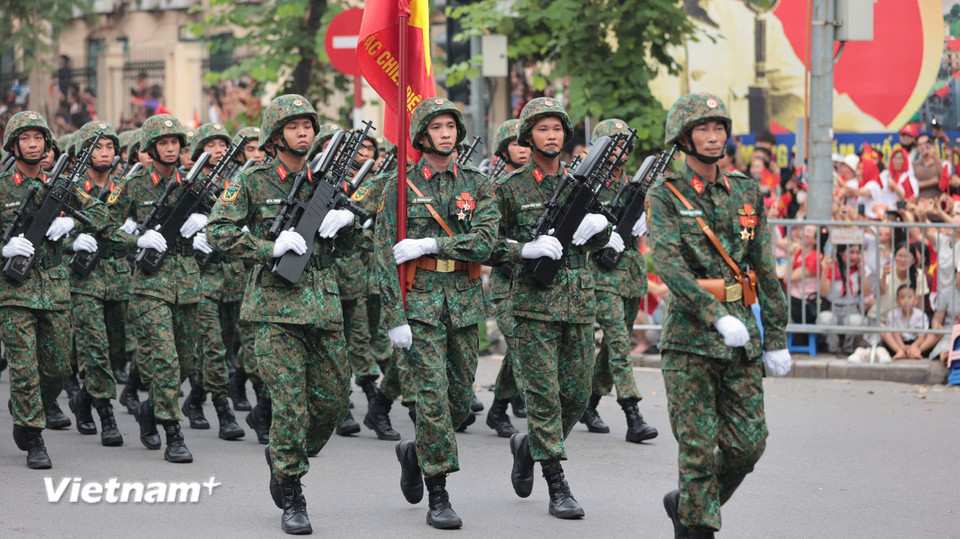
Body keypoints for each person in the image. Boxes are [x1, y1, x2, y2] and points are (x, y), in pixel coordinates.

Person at [208, 94, 357, 534]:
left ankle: (284, 454)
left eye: (308, 125)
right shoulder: (252, 181)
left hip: (323, 307)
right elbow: (218, 231)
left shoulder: (325, 181)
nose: (304, 132)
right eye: (293, 126)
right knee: (291, 404)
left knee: (332, 400)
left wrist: (347, 222)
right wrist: (266, 246)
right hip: (274, 309)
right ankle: (292, 492)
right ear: (275, 136)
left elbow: (351, 246)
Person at [646, 92, 791, 538]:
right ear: (684, 138)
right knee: (698, 451)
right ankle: (697, 524)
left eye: (719, 129)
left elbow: (765, 268)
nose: (713, 138)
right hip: (691, 339)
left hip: (742, 336)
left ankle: (689, 506)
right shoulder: (666, 195)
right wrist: (714, 315)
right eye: (703, 130)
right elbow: (669, 265)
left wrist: (777, 335)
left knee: (749, 444)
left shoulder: (746, 191)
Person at [374, 97, 499, 529]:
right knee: (431, 401)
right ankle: (439, 492)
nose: (446, 133)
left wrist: (433, 244)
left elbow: (485, 242)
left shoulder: (477, 184)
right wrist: (394, 317)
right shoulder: (399, 187)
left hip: (463, 304)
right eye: (437, 127)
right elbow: (382, 256)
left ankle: (414, 453)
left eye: (451, 126)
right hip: (421, 303)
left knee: (460, 403)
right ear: (422, 136)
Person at [488, 97, 612, 520]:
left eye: (557, 128)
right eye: (542, 129)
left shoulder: (582, 186)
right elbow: (484, 244)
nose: (552, 135)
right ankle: (557, 485)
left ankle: (530, 446)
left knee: (576, 396)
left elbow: (594, 239)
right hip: (533, 307)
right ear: (527, 136)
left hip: (578, 304)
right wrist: (524, 248)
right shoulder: (508, 188)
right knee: (543, 399)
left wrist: (603, 228)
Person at [1, 111, 108, 468]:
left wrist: (72, 228)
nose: (33, 145)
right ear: (14, 144)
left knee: (58, 367)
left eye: (38, 138)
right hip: (14, 290)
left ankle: (27, 406)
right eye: (25, 138)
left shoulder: (61, 185)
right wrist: (4, 248)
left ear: (48, 144)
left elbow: (103, 215)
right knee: (24, 366)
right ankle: (33, 434)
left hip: (55, 286)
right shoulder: (2, 186)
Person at [105, 114, 200, 464]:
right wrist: (135, 237)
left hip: (188, 283)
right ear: (151, 147)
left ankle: (149, 409)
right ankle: (172, 431)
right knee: (165, 361)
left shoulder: (194, 181)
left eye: (175, 142)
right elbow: (105, 225)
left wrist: (205, 222)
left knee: (185, 363)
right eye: (164, 143)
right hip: (149, 286)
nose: (171, 148)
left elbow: (225, 223)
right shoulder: (133, 185)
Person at [578, 119, 659, 444]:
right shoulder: (589, 185)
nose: (619, 150)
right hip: (602, 274)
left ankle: (590, 403)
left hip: (631, 274)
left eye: (624, 143)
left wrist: (643, 217)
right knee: (620, 344)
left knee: (614, 345)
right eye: (612, 143)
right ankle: (632, 413)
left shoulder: (636, 185)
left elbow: (648, 221)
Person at [180, 122, 246, 442]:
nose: (219, 150)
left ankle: (194, 400)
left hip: (232, 277)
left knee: (227, 345)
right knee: (212, 348)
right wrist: (190, 232)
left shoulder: (238, 183)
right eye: (211, 145)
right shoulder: (188, 185)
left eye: (223, 144)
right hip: (201, 276)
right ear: (197, 154)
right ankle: (223, 410)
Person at [65, 121, 126, 448]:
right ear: (82, 153)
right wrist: (72, 237)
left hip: (117, 278)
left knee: (117, 350)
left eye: (109, 147)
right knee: (95, 349)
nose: (104, 154)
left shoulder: (123, 187)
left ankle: (83, 400)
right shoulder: (69, 188)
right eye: (97, 147)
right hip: (83, 278)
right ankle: (106, 414)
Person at [484, 118, 530, 438]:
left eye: (525, 142)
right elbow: (486, 241)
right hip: (506, 280)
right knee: (519, 343)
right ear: (503, 150)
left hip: (538, 281)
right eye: (516, 144)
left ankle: (500, 406)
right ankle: (501, 407)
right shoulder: (493, 188)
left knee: (523, 346)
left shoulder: (544, 181)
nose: (523, 149)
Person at [816, 244, 872, 355]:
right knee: (825, 319)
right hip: (832, 307)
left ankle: (848, 348)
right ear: (841, 253)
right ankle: (833, 348)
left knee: (857, 321)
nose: (854, 256)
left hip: (851, 308)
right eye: (851, 252)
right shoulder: (832, 267)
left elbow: (866, 292)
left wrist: (862, 271)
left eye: (857, 253)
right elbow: (823, 292)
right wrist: (825, 270)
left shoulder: (860, 268)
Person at [881, 286, 932, 360]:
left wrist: (914, 346)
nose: (906, 300)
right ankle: (900, 351)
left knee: (936, 332)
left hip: (916, 342)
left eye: (909, 297)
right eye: (902, 297)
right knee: (881, 327)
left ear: (916, 299)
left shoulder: (921, 315)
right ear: (897, 301)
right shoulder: (892, 314)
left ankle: (916, 351)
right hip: (898, 343)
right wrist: (902, 347)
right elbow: (895, 334)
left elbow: (921, 337)